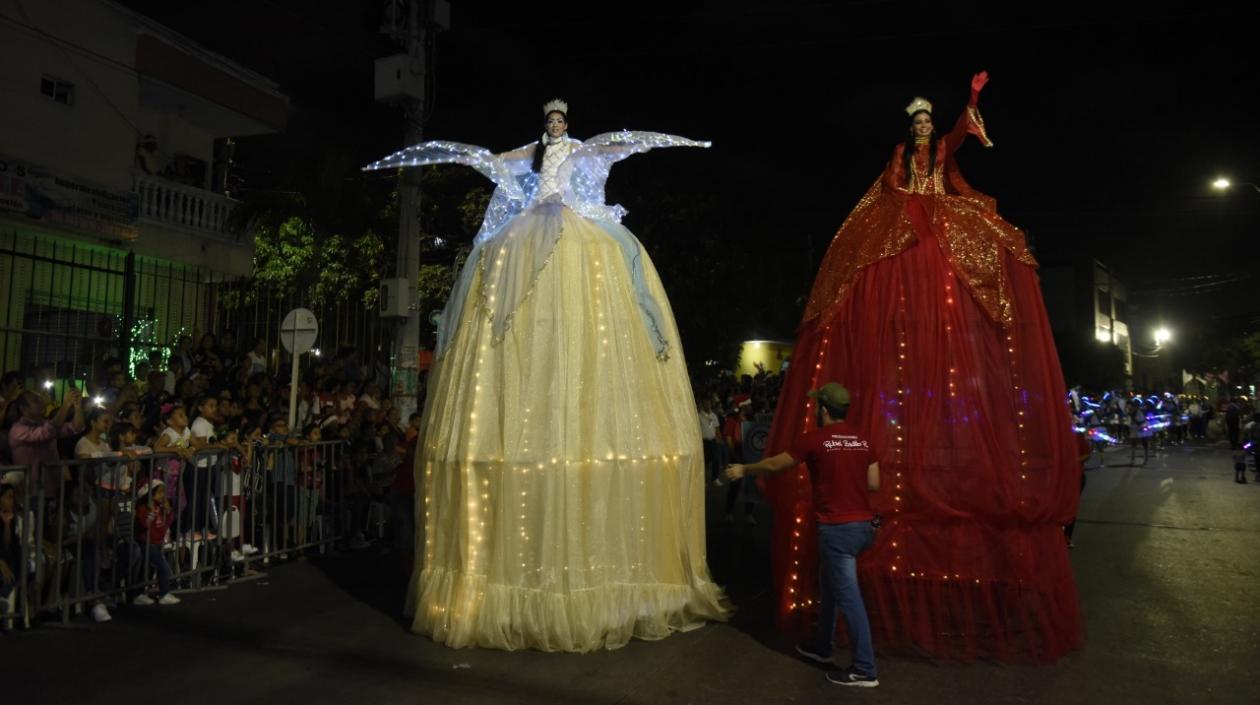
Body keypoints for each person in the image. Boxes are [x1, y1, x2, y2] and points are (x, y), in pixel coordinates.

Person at [366, 98, 728, 651]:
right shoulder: (531, 160)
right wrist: (482, 158)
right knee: (515, 324)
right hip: (532, 230)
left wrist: (654, 145)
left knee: (585, 317)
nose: (555, 127)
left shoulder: (582, 152)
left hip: (577, 229)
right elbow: (499, 160)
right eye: (550, 122)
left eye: (560, 121)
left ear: (569, 124)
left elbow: (613, 147)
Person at [760, 72, 1082, 662]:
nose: (923, 128)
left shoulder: (940, 149)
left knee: (984, 254)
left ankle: (849, 638)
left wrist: (975, 101)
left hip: (940, 216)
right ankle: (848, 627)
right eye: (918, 123)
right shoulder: (902, 156)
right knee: (885, 278)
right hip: (903, 217)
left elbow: (961, 141)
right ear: (909, 128)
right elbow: (886, 185)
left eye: (927, 122)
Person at [728, 383, 880, 687]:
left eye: (815, 407)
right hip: (864, 527)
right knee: (829, 583)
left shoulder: (815, 440)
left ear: (823, 409)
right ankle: (823, 647)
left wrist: (744, 469)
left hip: (838, 530)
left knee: (848, 596)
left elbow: (775, 464)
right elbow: (873, 483)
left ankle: (865, 669)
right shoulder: (864, 440)